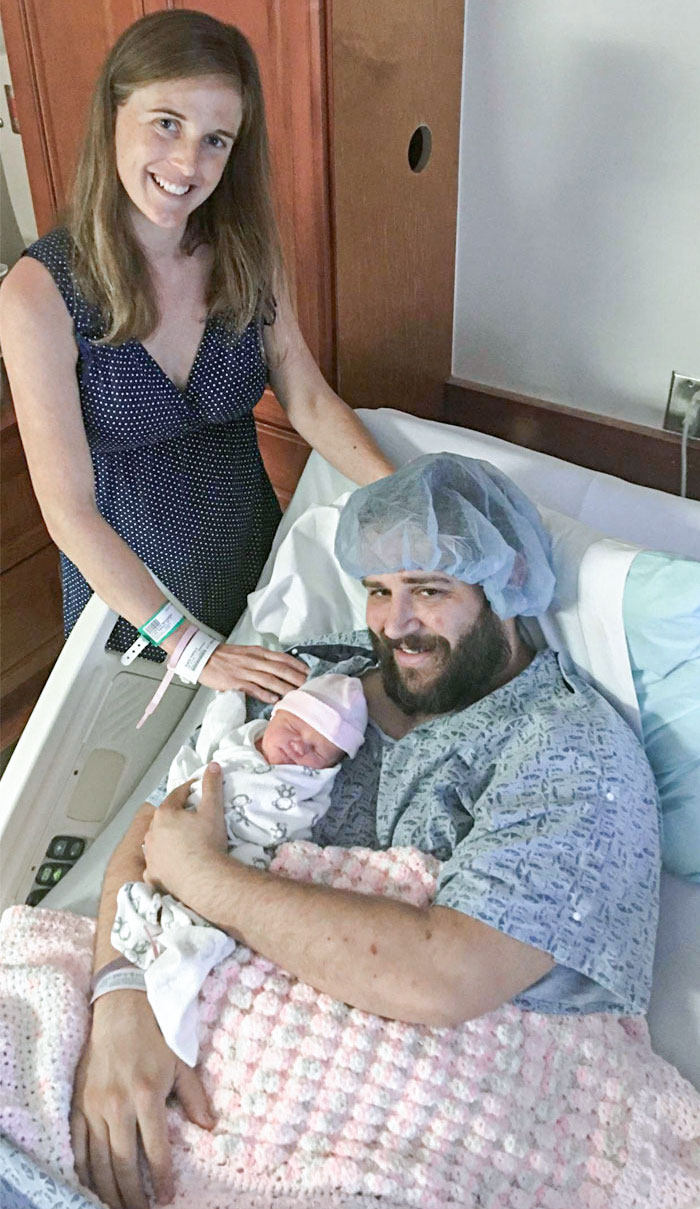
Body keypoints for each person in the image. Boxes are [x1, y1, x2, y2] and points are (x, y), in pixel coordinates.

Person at [70, 453, 660, 1209]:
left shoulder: (568, 747)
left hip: (403, 1106)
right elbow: (158, 825)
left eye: (430, 590)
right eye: (380, 589)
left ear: (508, 582)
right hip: (181, 1030)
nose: (395, 622)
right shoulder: (312, 676)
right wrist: (123, 995)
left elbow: (446, 973)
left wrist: (208, 878)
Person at [0, 10, 393, 706]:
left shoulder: (247, 255)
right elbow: (68, 511)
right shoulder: (40, 293)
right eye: (166, 123)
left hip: (257, 572)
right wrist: (191, 647)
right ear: (114, 113)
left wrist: (407, 498)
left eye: (216, 139)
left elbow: (305, 396)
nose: (188, 163)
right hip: (129, 612)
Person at [107, 672, 368, 1066]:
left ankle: (177, 966)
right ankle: (153, 945)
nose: (299, 745)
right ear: (276, 715)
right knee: (137, 900)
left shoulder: (306, 790)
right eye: (294, 727)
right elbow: (215, 727)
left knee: (204, 921)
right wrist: (226, 698)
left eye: (317, 750)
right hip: (179, 830)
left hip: (240, 856)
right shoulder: (237, 743)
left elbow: (294, 828)